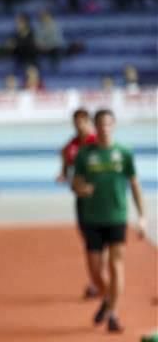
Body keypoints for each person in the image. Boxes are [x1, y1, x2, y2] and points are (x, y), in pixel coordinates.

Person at [72, 110, 147, 333]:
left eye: (108, 124)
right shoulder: (85, 155)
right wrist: (82, 189)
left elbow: (134, 184)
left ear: (113, 126)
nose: (104, 128)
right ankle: (107, 298)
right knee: (95, 271)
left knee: (116, 265)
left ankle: (113, 313)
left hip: (117, 216)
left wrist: (142, 216)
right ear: (95, 127)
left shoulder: (123, 153)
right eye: (100, 125)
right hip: (92, 217)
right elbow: (75, 183)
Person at [56, 109, 100, 299]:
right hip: (82, 200)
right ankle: (96, 280)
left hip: (100, 200)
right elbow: (66, 168)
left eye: (82, 121)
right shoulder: (71, 146)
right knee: (89, 241)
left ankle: (99, 282)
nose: (78, 125)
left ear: (88, 122)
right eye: (75, 122)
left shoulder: (97, 143)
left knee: (100, 242)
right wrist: (63, 174)